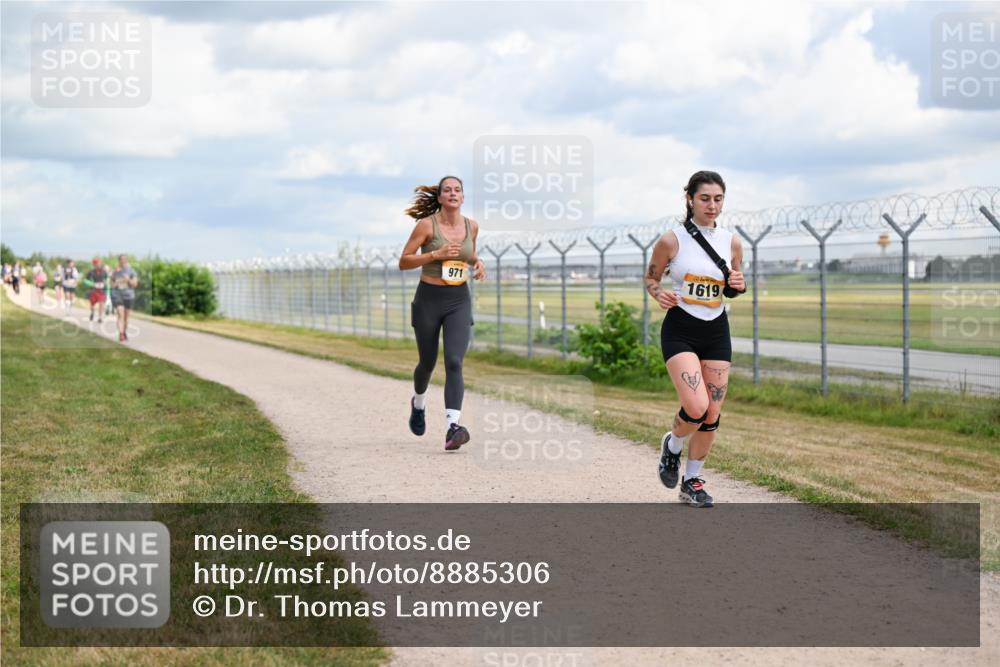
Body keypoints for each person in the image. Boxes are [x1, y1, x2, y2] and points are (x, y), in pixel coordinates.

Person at [644, 171, 746, 507]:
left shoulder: (731, 241)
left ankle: (692, 482)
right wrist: (658, 293)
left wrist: (739, 284)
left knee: (713, 412)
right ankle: (672, 445)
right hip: (681, 329)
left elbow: (732, 285)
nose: (712, 205)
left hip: (716, 330)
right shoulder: (672, 240)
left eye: (718, 199)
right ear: (689, 198)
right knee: (697, 406)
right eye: (705, 198)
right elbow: (651, 277)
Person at [398, 176, 486, 451]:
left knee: (454, 361)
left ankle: (453, 427)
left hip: (458, 299)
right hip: (429, 299)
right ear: (439, 197)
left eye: (458, 189)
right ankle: (419, 403)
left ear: (462, 196)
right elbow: (404, 261)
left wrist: (478, 262)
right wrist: (434, 255)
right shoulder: (427, 225)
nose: (453, 193)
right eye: (447, 190)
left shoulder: (472, 226)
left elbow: (467, 254)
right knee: (427, 363)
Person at [110, 254, 139, 342]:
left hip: (128, 295)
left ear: (126, 260)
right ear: (119, 261)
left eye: (124, 259)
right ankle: (121, 334)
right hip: (118, 295)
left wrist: (128, 280)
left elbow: (135, 284)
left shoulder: (131, 271)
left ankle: (124, 332)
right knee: (120, 314)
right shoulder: (116, 271)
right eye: (121, 260)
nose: (122, 261)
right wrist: (114, 284)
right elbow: (111, 281)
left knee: (126, 317)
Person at [85, 258, 108, 323]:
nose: (98, 264)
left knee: (101, 303)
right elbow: (86, 280)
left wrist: (105, 283)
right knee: (92, 305)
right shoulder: (91, 272)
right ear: (94, 264)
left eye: (99, 263)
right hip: (93, 290)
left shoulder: (104, 272)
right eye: (97, 263)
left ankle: (100, 317)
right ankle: (92, 312)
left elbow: (107, 279)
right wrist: (92, 284)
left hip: (101, 291)